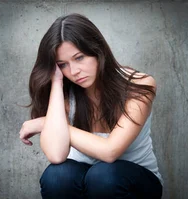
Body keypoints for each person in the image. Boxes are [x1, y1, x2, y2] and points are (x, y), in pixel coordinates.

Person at [18, 13, 163, 198]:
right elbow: (56, 156)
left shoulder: (139, 85)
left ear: (97, 51)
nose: (74, 71)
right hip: (84, 178)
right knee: (56, 177)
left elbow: (110, 151)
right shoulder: (64, 93)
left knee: (102, 176)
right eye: (62, 64)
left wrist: (46, 123)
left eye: (79, 58)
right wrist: (56, 82)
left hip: (135, 183)